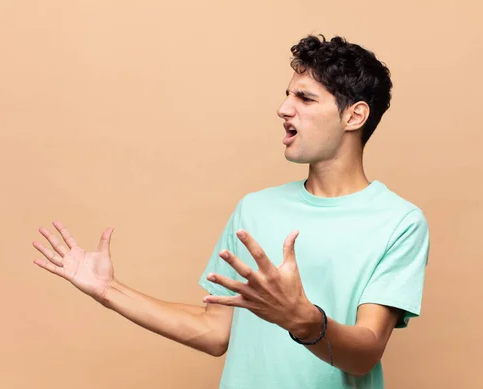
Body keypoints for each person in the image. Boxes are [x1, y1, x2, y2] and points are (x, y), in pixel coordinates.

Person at [32, 34, 430, 389]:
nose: (283, 109)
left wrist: (303, 319)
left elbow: (365, 354)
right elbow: (214, 331)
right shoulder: (254, 209)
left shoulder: (398, 222)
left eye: (305, 98)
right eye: (288, 94)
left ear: (354, 116)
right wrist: (109, 291)